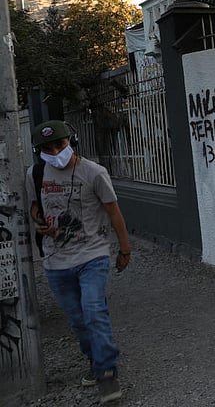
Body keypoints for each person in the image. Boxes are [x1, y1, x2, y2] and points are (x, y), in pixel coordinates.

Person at [26, 120, 131, 404]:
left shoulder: (94, 173)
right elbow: (35, 205)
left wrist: (124, 249)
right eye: (47, 148)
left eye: (59, 145)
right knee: (77, 320)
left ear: (71, 142)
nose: (54, 152)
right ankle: (94, 359)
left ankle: (107, 371)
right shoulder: (36, 173)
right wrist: (38, 222)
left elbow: (114, 211)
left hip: (92, 254)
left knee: (94, 311)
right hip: (56, 260)